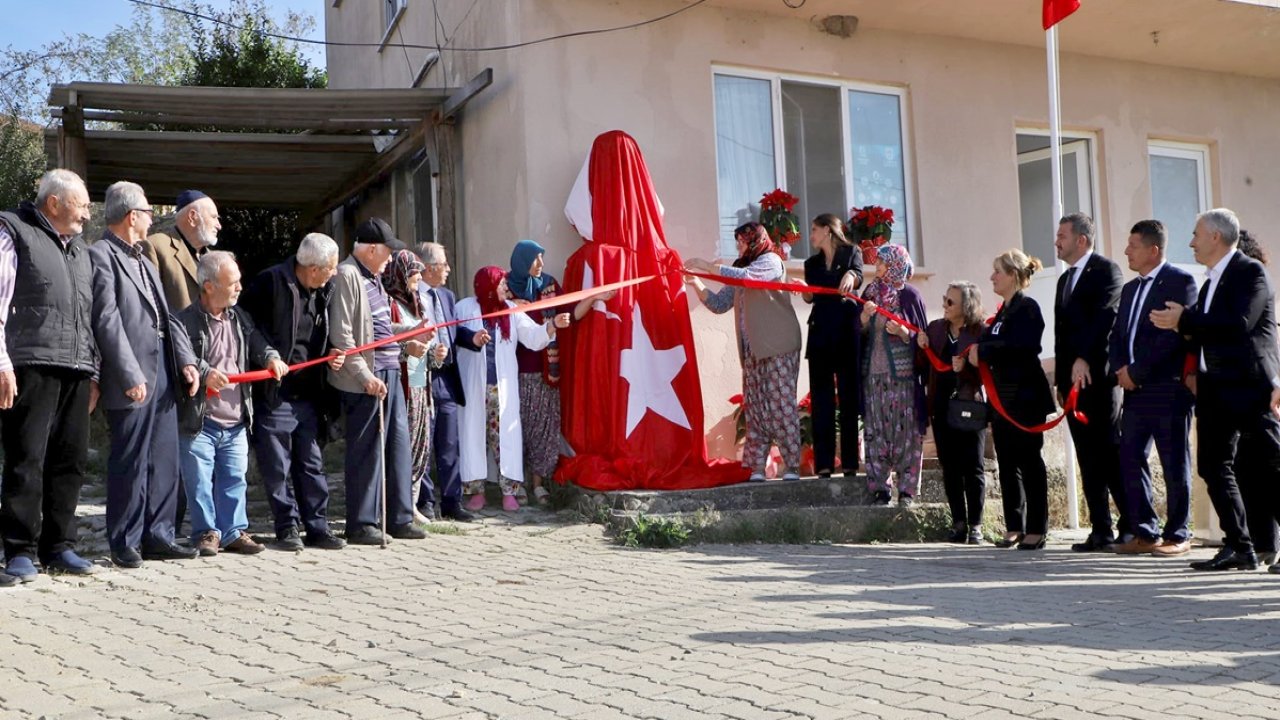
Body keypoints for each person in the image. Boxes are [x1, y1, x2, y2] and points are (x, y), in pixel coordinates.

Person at [1152, 208, 1278, 572]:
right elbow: (1204, 329)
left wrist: (1185, 320)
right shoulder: (1209, 281)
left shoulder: (1249, 272)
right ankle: (1240, 545)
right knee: (1212, 465)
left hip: (1250, 385)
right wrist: (1181, 324)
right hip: (1214, 388)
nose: (1190, 241)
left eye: (1195, 234)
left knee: (1271, 465)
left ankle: (1262, 543)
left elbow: (1238, 324)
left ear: (1215, 238)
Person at [89, 181, 201, 569]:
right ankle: (125, 540)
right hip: (132, 375)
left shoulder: (143, 257)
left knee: (164, 459)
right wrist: (127, 372)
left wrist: (186, 359)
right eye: (149, 212)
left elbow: (167, 315)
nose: (153, 218)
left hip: (164, 374)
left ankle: (159, 534)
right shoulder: (100, 255)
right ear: (131, 216)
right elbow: (106, 321)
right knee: (130, 461)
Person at [0, 169, 97, 584]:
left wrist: (94, 369)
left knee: (70, 461)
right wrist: (1, 362)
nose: (87, 216)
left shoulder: (80, 250)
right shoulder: (13, 231)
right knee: (27, 459)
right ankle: (19, 550)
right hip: (31, 362)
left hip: (76, 366)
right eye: (83, 205)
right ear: (54, 203)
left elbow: (88, 316)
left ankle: (60, 546)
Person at [175, 252, 288, 556]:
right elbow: (181, 357)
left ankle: (233, 531)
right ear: (209, 286)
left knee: (234, 479)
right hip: (200, 420)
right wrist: (205, 372)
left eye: (239, 281)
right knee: (199, 482)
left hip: (236, 418)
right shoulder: (183, 321)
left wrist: (271, 357)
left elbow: (258, 344)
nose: (240, 287)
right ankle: (206, 533)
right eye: (233, 282)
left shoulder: (240, 318)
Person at [242, 233, 348, 551]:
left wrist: (334, 350)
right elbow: (245, 322)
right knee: (277, 465)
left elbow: (324, 329)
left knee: (311, 463)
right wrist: (268, 355)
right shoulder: (271, 282)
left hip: (310, 392)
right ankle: (286, 526)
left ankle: (317, 527)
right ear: (313, 268)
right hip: (276, 392)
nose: (335, 273)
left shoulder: (324, 290)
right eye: (330, 267)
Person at [328, 218, 429, 545]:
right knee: (366, 452)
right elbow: (342, 335)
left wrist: (410, 336)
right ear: (371, 249)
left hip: (389, 371)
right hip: (365, 378)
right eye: (387, 251)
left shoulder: (375, 278)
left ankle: (398, 517)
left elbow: (381, 332)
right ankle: (361, 524)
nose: (390, 258)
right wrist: (365, 377)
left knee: (397, 446)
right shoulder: (348, 275)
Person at [686, 222, 803, 482]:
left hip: (778, 345)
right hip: (752, 351)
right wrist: (696, 283)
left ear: (755, 240)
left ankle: (792, 466)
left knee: (781, 406)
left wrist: (707, 266)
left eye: (741, 241)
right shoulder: (740, 270)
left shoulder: (771, 261)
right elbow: (719, 304)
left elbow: (750, 278)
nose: (738, 246)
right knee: (756, 410)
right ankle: (757, 468)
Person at [1108, 221, 1198, 556]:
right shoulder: (1131, 289)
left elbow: (1171, 338)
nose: (1127, 251)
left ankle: (1178, 533)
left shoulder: (1179, 281)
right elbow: (1118, 334)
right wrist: (1121, 368)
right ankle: (1146, 531)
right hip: (1133, 391)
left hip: (1166, 388)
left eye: (1133, 245)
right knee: (1129, 456)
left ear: (1153, 250)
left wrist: (1137, 370)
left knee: (1174, 462)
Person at [456, 267, 569, 511]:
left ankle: (509, 492)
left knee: (504, 438)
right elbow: (456, 335)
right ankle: (477, 492)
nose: (505, 288)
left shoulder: (512, 311)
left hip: (501, 389)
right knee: (474, 436)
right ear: (487, 286)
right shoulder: (465, 308)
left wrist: (552, 327)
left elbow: (532, 336)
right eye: (500, 284)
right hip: (474, 387)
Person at [969, 249, 1056, 551]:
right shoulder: (1001, 312)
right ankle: (1014, 526)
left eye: (998, 271)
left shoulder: (1027, 308)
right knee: (1007, 463)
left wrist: (986, 350)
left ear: (1014, 276)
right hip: (1001, 399)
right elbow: (988, 343)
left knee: (1029, 461)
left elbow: (1024, 345)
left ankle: (1037, 528)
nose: (992, 276)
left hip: (1025, 397)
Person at [1053, 213, 1128, 552]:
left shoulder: (1106, 271)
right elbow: (1061, 332)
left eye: (1062, 236)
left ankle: (1132, 523)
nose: (1057, 242)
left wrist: (1085, 357)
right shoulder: (1063, 280)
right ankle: (1101, 529)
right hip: (1072, 383)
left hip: (1098, 378)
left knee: (1109, 453)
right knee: (1086, 456)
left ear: (1081, 240)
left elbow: (1106, 318)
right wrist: (1060, 376)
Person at [417, 242, 488, 522]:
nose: (448, 269)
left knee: (448, 443)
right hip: (421, 375)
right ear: (429, 267)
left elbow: (453, 331)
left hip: (446, 377)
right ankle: (424, 502)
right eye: (444, 264)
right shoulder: (411, 295)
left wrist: (472, 338)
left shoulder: (446, 296)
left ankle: (451, 501)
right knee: (423, 441)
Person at [918, 281, 987, 544]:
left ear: (966, 307)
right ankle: (958, 523)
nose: (945, 305)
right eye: (945, 299)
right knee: (950, 466)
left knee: (973, 466)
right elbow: (922, 365)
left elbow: (987, 370)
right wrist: (921, 346)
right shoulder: (936, 329)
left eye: (951, 302)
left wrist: (967, 369)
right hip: (942, 405)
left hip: (970, 406)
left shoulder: (980, 331)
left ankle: (976, 526)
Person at [859, 243, 928, 505]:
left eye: (882, 262)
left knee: (907, 432)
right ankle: (880, 488)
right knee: (876, 431)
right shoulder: (870, 292)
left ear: (896, 265)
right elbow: (860, 333)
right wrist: (864, 319)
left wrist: (903, 332)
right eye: (877, 262)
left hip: (903, 377)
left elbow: (923, 339)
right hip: (873, 376)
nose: (876, 267)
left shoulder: (910, 296)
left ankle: (908, 491)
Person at [382, 249, 442, 524]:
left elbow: (423, 343)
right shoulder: (389, 304)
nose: (418, 277)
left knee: (421, 439)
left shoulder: (416, 303)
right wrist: (411, 347)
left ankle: (413, 500)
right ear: (400, 275)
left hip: (419, 377)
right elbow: (387, 344)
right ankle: (399, 503)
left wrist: (434, 355)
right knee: (403, 440)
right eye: (413, 272)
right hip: (402, 379)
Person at [801, 214, 863, 478]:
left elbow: (858, 276)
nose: (811, 234)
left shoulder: (852, 253)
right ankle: (824, 464)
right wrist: (804, 292)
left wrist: (851, 274)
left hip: (847, 335)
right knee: (822, 402)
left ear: (827, 230)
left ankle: (850, 463)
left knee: (848, 401)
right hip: (820, 337)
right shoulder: (811, 263)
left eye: (814, 229)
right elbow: (811, 296)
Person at [508, 239, 565, 505]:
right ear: (522, 261)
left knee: (544, 426)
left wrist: (595, 299)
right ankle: (515, 483)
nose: (541, 264)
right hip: (514, 370)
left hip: (546, 370)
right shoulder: (505, 288)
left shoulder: (550, 285)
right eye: (535, 259)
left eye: (542, 258)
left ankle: (539, 482)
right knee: (516, 427)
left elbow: (567, 312)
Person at [143, 190, 221, 312]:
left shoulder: (215, 259)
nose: (219, 225)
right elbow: (148, 306)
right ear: (192, 217)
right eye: (214, 217)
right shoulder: (155, 246)